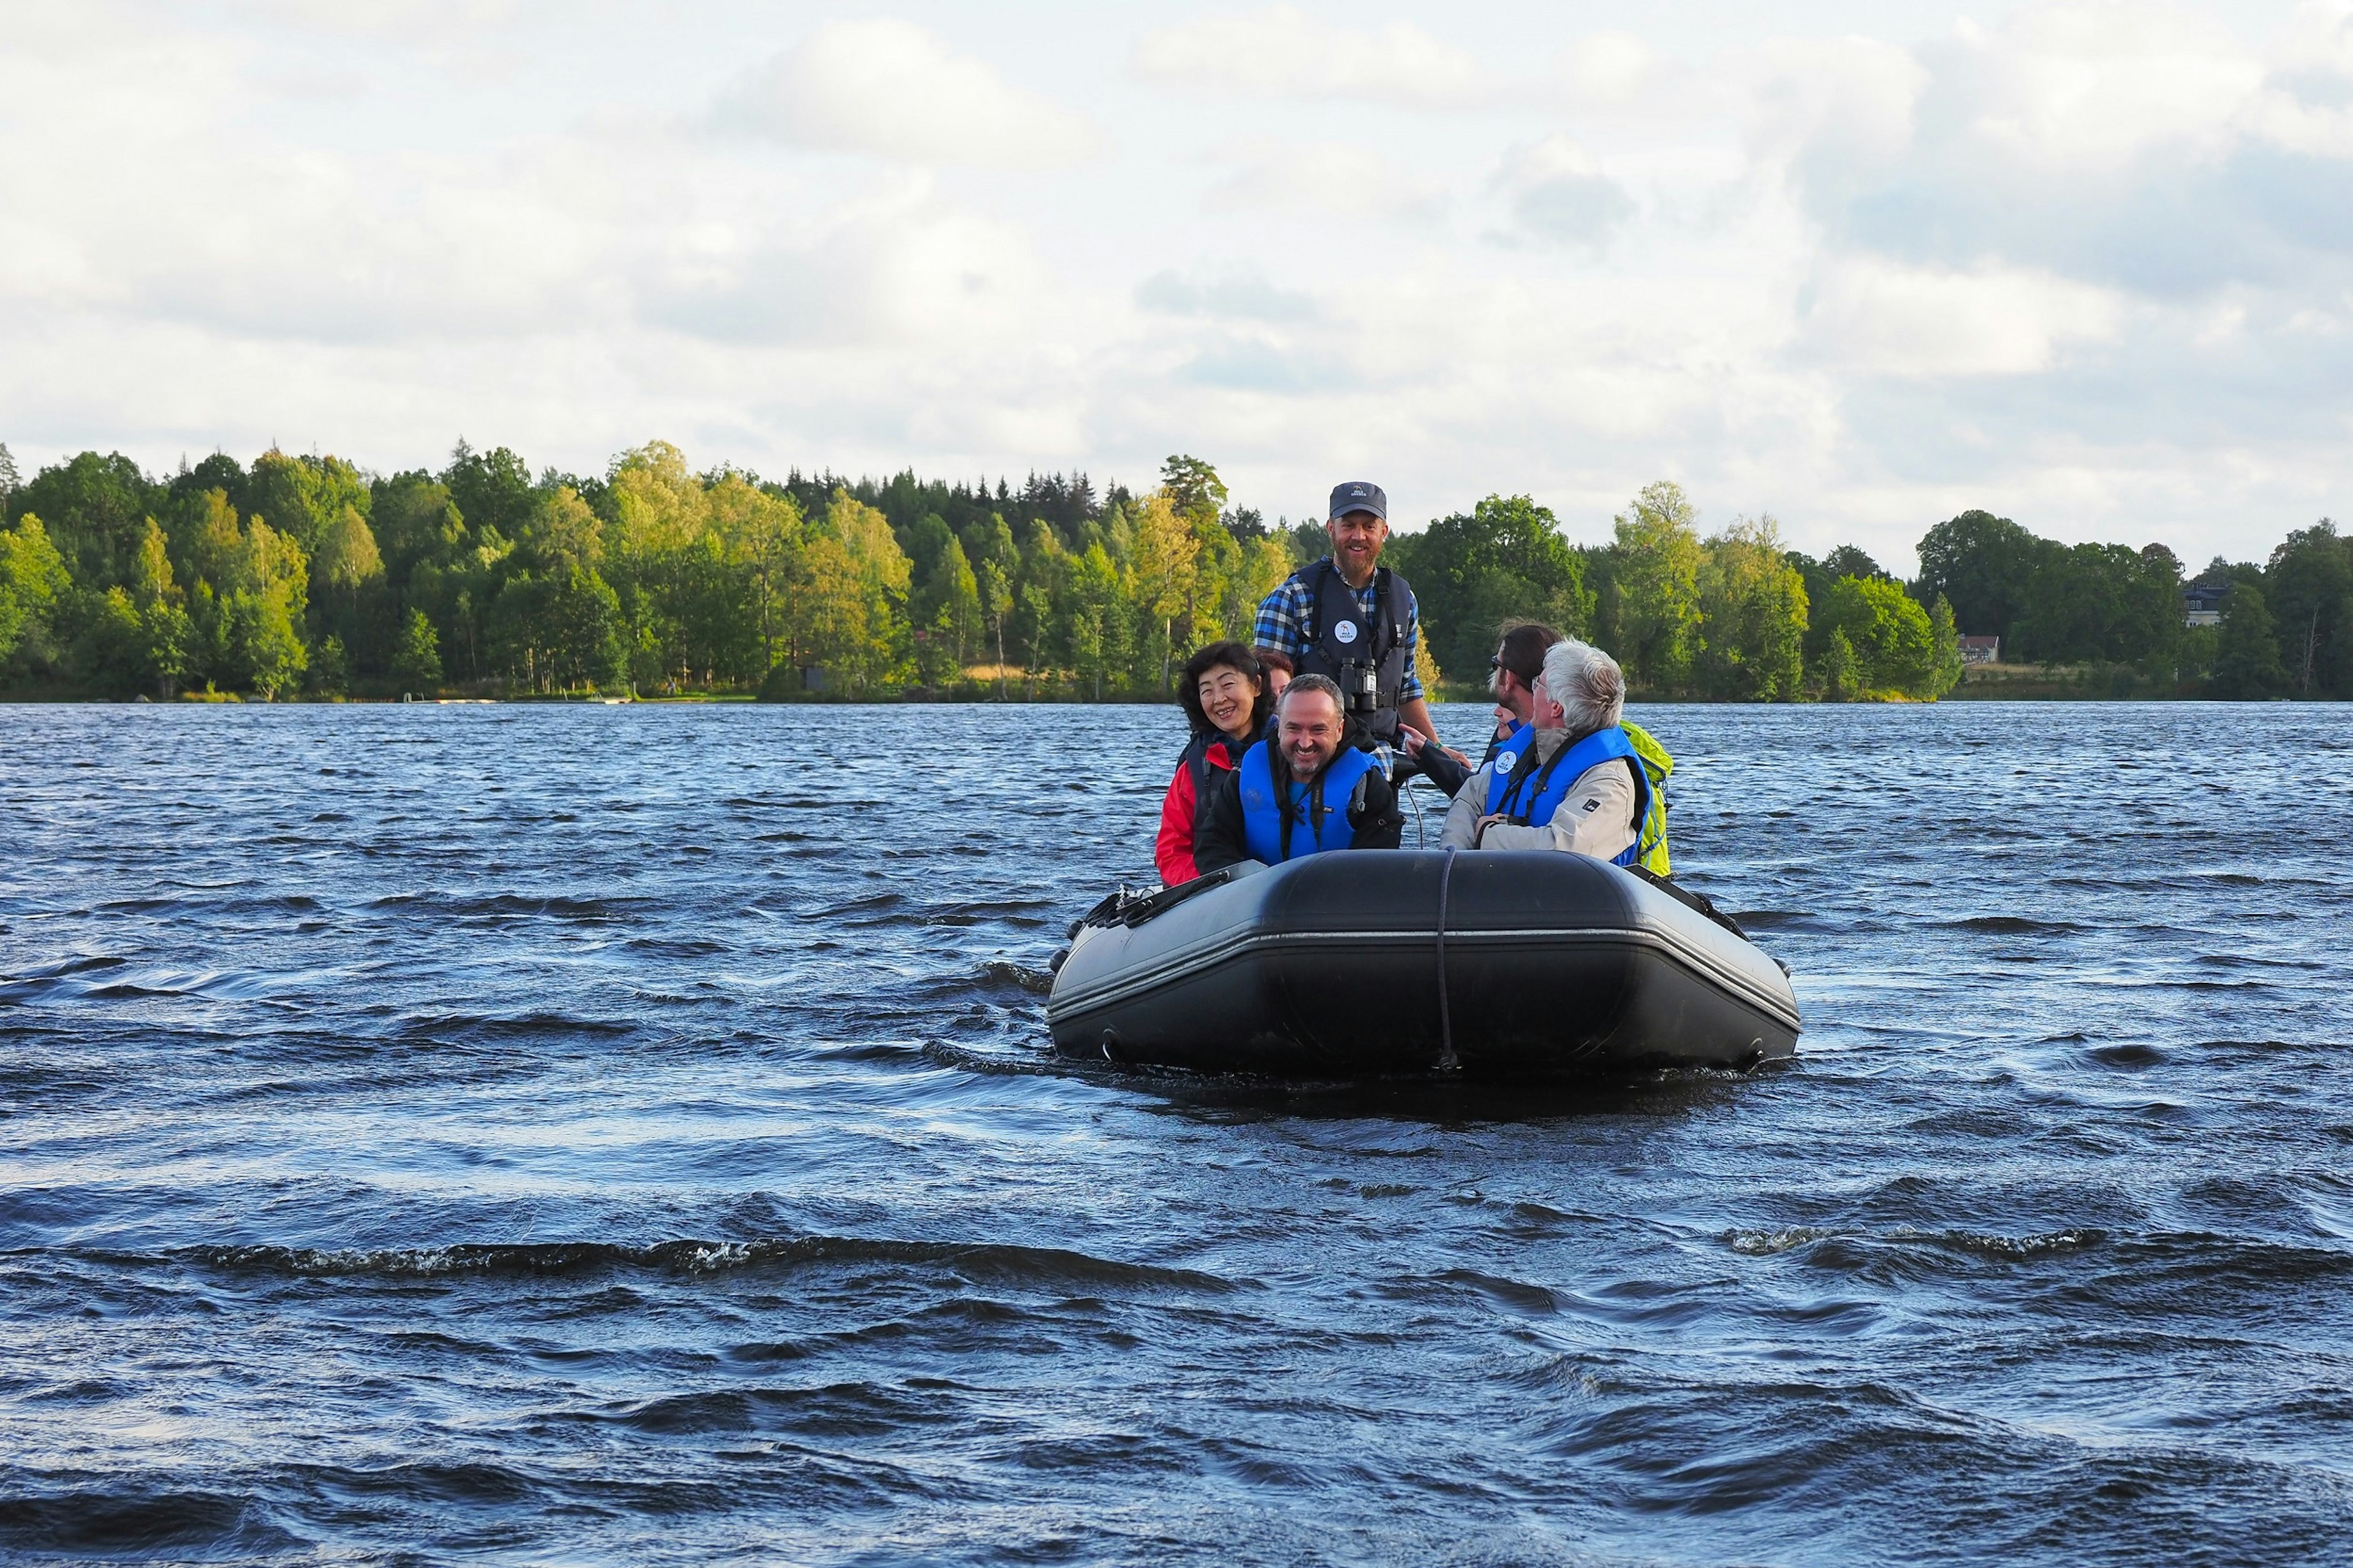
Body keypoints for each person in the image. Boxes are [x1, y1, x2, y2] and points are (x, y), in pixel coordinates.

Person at [1441, 639, 1670, 871]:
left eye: (1537, 685)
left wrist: (1487, 836)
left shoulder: (1611, 783)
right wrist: (1456, 864)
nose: (1533, 690)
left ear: (1556, 707)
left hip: (1567, 906)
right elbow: (1469, 799)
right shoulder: (1531, 748)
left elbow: (1564, 850)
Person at [1251, 482, 1444, 756]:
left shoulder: (1405, 600)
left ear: (1384, 532)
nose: (1359, 536)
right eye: (1348, 525)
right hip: (1312, 760)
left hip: (1385, 756)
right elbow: (1266, 696)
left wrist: (1438, 752)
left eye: (1369, 526)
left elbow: (1407, 687)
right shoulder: (1290, 598)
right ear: (1331, 528)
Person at [1195, 676, 1403, 873]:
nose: (1305, 743)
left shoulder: (1367, 785)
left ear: (1339, 730)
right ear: (1279, 728)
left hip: (1334, 903)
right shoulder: (1248, 770)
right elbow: (1213, 844)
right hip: (1257, 898)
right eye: (1293, 728)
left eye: (1318, 730)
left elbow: (1376, 871)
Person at [1155, 642, 1273, 886]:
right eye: (1206, 690)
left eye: (1228, 684)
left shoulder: (1291, 747)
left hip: (1279, 886)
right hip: (1214, 892)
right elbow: (1172, 850)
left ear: (1257, 685)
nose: (1219, 699)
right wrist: (1211, 887)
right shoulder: (1193, 766)